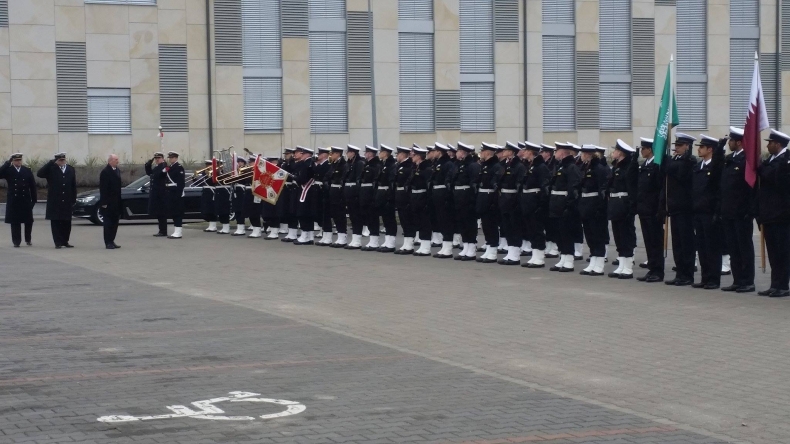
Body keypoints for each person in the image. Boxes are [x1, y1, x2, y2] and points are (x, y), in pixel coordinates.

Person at [719, 127, 756, 293]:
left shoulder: (747, 160)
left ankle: (747, 281)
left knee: (744, 248)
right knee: (733, 248)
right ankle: (737, 279)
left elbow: (750, 188)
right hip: (729, 212)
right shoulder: (730, 159)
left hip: (741, 213)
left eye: (731, 141)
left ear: (739, 142)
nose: (729, 143)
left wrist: (749, 209)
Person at [757, 129, 790, 297]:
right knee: (773, 253)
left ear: (778, 144)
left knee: (782, 252)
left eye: (770, 143)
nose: (767, 145)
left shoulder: (786, 160)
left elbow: (775, 179)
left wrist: (763, 169)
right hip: (769, 214)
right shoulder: (771, 160)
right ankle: (775, 284)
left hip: (782, 215)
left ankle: (783, 285)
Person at [662, 133, 698, 286]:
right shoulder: (674, 160)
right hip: (674, 206)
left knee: (686, 242)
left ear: (687, 147)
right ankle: (680, 272)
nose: (676, 148)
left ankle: (687, 274)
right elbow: (665, 170)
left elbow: (681, 175)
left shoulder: (690, 161)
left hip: (685, 208)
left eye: (679, 146)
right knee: (677, 243)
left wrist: (677, 162)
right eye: (675, 145)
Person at [691, 135, 726, 289]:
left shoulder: (715, 166)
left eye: (702, 147)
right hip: (698, 211)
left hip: (710, 213)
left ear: (710, 149)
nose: (698, 149)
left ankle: (714, 279)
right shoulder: (699, 167)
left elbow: (717, 189)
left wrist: (716, 212)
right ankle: (705, 277)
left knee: (712, 247)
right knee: (702, 247)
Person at [633, 138, 665, 282]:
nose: (641, 151)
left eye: (643, 149)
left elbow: (659, 189)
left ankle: (658, 271)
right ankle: (652, 269)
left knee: (655, 241)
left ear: (650, 150)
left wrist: (660, 209)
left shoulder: (656, 166)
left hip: (653, 210)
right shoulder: (644, 165)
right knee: (648, 241)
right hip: (644, 210)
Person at [606, 140, 638, 279]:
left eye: (615, 150)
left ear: (620, 153)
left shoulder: (629, 167)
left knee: (626, 235)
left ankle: (628, 267)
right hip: (615, 204)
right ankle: (622, 264)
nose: (613, 152)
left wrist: (631, 207)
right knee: (618, 236)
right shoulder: (616, 167)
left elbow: (631, 188)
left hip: (624, 203)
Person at [549, 142, 582, 272]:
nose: (555, 154)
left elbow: (573, 188)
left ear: (562, 153)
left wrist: (569, 205)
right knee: (558, 233)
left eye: (556, 151)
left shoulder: (571, 167)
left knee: (566, 233)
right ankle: (563, 257)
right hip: (556, 204)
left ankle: (569, 260)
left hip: (564, 205)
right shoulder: (560, 166)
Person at [577, 145, 609, 276]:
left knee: (598, 235)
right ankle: (593, 260)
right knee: (589, 235)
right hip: (586, 205)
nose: (581, 156)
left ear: (589, 155)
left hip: (596, 206)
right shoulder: (585, 167)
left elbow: (602, 189)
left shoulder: (599, 169)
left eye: (583, 154)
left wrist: (600, 208)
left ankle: (599, 263)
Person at [520, 142, 551, 268]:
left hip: (535, 203)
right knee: (530, 229)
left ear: (531, 152)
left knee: (537, 230)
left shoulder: (541, 167)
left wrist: (541, 204)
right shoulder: (530, 165)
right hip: (528, 202)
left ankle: (540, 256)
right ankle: (535, 254)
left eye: (526, 151)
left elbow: (544, 187)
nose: (524, 153)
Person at [37, 153, 77, 248]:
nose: (62, 162)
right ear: (56, 160)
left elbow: (73, 185)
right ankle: (57, 242)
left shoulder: (70, 169)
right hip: (55, 200)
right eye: (60, 160)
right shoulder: (51, 168)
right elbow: (39, 174)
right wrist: (51, 163)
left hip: (67, 200)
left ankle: (65, 241)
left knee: (66, 222)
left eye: (63, 160)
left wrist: (73, 199)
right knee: (56, 222)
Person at [497, 142, 526, 265]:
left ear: (512, 152)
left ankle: (515, 254)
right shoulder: (506, 165)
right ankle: (510, 251)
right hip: (504, 198)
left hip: (513, 199)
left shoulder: (519, 166)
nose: (504, 151)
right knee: (507, 226)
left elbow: (519, 183)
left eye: (506, 150)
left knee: (515, 227)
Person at [0, 153, 36, 247]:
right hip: (14, 199)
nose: (18, 162)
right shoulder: (8, 170)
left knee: (28, 221)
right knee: (15, 222)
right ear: (13, 161)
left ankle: (28, 239)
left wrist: (34, 199)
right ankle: (16, 241)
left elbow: (32, 186)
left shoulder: (27, 170)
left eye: (19, 160)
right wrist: (7, 163)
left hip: (25, 199)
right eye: (16, 160)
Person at [476, 143, 504, 263]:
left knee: (491, 225)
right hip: (483, 197)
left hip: (490, 198)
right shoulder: (485, 165)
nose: (480, 154)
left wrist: (493, 201)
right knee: (486, 225)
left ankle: (493, 250)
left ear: (487, 153)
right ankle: (488, 247)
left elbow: (496, 185)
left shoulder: (496, 166)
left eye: (482, 152)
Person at [452, 142, 480, 261]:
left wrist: (471, 199)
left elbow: (474, 183)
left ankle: (472, 248)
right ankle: (466, 245)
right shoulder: (460, 164)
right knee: (462, 222)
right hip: (459, 196)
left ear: (463, 153)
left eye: (458, 151)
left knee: (469, 223)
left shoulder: (472, 165)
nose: (456, 153)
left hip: (467, 198)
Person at [431, 143, 457, 258]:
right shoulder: (438, 163)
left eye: (435, 151)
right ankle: (444, 245)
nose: (434, 152)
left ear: (439, 152)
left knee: (447, 221)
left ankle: (448, 247)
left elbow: (448, 181)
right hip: (437, 194)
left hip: (443, 195)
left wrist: (447, 197)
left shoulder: (448, 164)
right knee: (440, 220)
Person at [409, 146, 433, 256]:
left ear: (418, 156)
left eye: (413, 155)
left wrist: (427, 201)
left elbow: (428, 186)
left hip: (423, 197)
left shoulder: (427, 169)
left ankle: (426, 246)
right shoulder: (416, 168)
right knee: (418, 221)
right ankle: (423, 244)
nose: (412, 157)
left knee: (425, 223)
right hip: (416, 197)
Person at [374, 144, 398, 252]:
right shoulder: (384, 164)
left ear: (385, 153)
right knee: (385, 218)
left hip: (387, 194)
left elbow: (391, 182)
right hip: (382, 194)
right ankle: (387, 240)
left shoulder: (391, 165)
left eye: (381, 152)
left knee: (390, 219)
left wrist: (389, 197)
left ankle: (391, 242)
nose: (379, 154)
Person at [359, 145, 383, 251]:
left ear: (370, 154)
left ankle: (375, 240)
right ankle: (372, 240)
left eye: (366, 152)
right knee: (367, 217)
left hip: (371, 194)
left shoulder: (376, 165)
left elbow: (375, 181)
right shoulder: (367, 164)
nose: (365, 154)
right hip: (365, 193)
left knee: (373, 217)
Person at [293, 146, 317, 245]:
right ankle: (309, 236)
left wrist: (295, 178)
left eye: (302, 154)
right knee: (308, 214)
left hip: (305, 190)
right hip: (310, 190)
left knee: (302, 213)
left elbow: (303, 179)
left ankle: (304, 235)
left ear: (307, 154)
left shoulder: (306, 164)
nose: (301, 156)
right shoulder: (311, 163)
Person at [393, 146, 416, 254]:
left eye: (398, 154)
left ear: (403, 155)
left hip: (406, 196)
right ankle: (406, 243)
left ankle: (410, 244)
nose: (397, 156)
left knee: (408, 220)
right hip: (399, 195)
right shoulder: (400, 166)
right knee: (403, 220)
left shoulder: (409, 166)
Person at [324, 147, 349, 247]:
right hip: (332, 191)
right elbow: (327, 176)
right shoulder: (334, 164)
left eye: (333, 153)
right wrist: (327, 183)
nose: (331, 155)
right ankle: (340, 236)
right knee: (334, 214)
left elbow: (342, 178)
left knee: (340, 215)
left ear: (338, 154)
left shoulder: (343, 165)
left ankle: (343, 236)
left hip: (339, 193)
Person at [343, 145, 365, 249]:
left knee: (357, 217)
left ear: (353, 153)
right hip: (348, 192)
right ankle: (354, 238)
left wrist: (357, 193)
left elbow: (358, 179)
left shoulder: (359, 163)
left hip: (355, 193)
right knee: (352, 216)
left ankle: (358, 239)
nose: (347, 153)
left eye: (348, 152)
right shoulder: (348, 163)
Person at [540, 144, 560, 258]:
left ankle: (554, 246)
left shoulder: (554, 164)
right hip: (547, 197)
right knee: (547, 223)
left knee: (553, 224)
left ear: (547, 153)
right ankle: (550, 244)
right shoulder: (546, 164)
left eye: (542, 152)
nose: (541, 154)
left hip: (552, 197)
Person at [99, 154, 122, 249]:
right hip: (108, 202)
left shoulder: (117, 170)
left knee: (115, 222)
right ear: (110, 161)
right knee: (108, 223)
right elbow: (103, 188)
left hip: (116, 202)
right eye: (116, 159)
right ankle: (108, 242)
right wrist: (104, 203)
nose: (117, 161)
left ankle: (112, 240)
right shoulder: (105, 172)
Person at [161, 151, 185, 239]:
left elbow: (181, 183)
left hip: (176, 192)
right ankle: (176, 231)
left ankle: (178, 232)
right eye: (170, 158)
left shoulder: (179, 168)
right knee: (173, 212)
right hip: (170, 192)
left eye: (172, 158)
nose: (170, 159)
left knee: (177, 212)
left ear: (176, 158)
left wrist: (178, 194)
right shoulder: (170, 167)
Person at [144, 152, 167, 236]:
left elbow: (162, 174)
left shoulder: (164, 167)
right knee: (158, 213)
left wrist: (165, 164)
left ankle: (163, 231)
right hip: (156, 193)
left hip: (161, 193)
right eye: (156, 158)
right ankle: (161, 230)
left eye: (159, 158)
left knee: (161, 213)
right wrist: (148, 164)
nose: (157, 159)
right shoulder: (157, 167)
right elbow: (149, 173)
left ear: (162, 158)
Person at [313, 147, 332, 243]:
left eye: (320, 154)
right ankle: (322, 230)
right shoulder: (319, 164)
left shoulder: (328, 165)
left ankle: (325, 232)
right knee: (318, 212)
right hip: (317, 189)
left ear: (324, 155)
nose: (318, 156)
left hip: (323, 190)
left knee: (324, 212)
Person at [197, 160, 219, 232]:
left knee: (211, 209)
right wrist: (194, 178)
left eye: (209, 165)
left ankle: (213, 226)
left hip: (212, 192)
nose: (207, 166)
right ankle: (210, 225)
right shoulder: (204, 173)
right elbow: (200, 183)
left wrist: (208, 174)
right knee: (206, 209)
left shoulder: (215, 173)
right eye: (207, 165)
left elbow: (212, 182)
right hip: (205, 192)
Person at [231, 156, 248, 236]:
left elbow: (244, 180)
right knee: (236, 210)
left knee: (241, 210)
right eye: (238, 162)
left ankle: (241, 228)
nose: (239, 163)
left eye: (240, 162)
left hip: (242, 191)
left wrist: (238, 174)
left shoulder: (246, 171)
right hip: (235, 191)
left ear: (244, 163)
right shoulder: (235, 171)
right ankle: (239, 227)